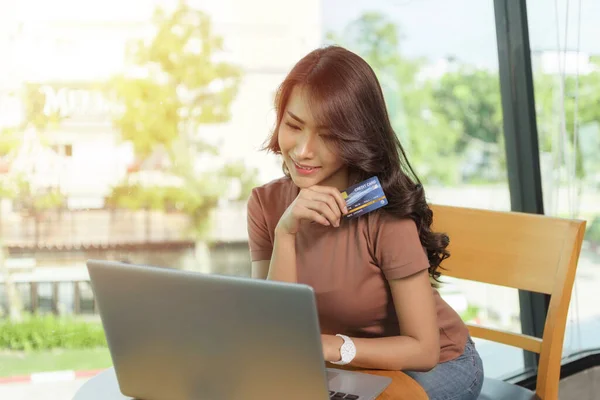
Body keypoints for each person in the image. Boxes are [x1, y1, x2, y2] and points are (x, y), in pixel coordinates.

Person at [246, 45, 484, 400]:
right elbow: (276, 333)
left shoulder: (386, 215)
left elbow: (423, 350)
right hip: (340, 366)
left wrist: (330, 347)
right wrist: (286, 232)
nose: (304, 150)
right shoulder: (267, 205)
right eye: (294, 125)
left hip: (437, 365)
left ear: (357, 136)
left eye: (328, 135)